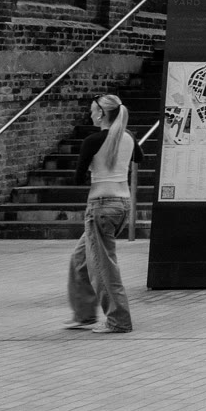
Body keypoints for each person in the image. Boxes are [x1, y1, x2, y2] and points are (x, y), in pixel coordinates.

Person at [67, 93, 136, 334]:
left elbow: (78, 178)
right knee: (80, 259)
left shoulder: (92, 140)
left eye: (92, 110)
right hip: (122, 205)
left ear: (101, 114)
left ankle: (119, 321)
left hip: (101, 207)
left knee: (103, 267)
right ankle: (84, 315)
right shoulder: (128, 137)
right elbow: (139, 157)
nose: (90, 114)